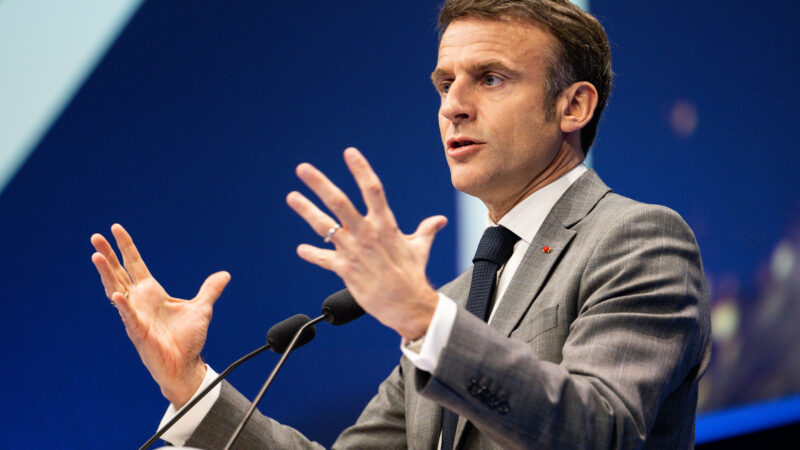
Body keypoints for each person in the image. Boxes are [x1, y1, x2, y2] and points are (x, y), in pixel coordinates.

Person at [90, 1, 711, 448]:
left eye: (490, 78)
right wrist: (192, 390)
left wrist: (422, 321)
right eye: (445, 83)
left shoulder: (638, 240)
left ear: (573, 105)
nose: (453, 105)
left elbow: (599, 432)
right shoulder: (449, 304)